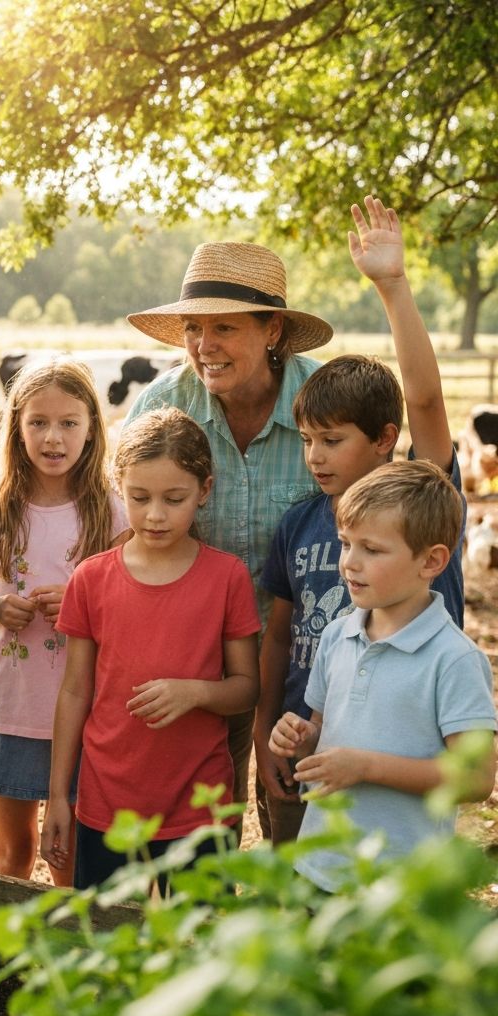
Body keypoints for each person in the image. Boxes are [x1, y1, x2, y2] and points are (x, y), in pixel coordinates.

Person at [255, 196, 465, 844]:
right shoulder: (299, 524)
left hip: (404, 758)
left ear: (384, 438)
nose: (315, 455)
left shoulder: (422, 499)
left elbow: (426, 396)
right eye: (306, 439)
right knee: (298, 903)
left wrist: (392, 285)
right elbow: (277, 638)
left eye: (333, 440)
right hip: (308, 747)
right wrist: (266, 736)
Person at [124, 238, 333, 811]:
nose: (203, 346)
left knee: (295, 819)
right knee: (195, 825)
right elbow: (129, 530)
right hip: (194, 663)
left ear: (272, 331)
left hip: (305, 663)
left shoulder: (324, 404)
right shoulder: (163, 406)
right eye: (194, 327)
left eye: (224, 328)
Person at [40, 409, 261, 889]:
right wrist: (59, 795)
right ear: (119, 487)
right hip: (107, 802)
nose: (155, 514)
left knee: (199, 946)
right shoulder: (91, 578)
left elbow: (247, 689)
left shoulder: (227, 578)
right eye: (139, 498)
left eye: (174, 498)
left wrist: (195, 693)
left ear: (204, 491)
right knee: (108, 943)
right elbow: (75, 692)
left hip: (199, 805)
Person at [269, 460, 496, 891]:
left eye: (371, 550)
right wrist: (302, 737)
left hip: (401, 887)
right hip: (321, 864)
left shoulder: (454, 659)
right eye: (345, 544)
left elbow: (476, 779)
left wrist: (367, 767)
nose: (349, 564)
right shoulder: (337, 635)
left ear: (431, 561)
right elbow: (324, 732)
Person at [0, 359, 131, 886]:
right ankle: (7, 961)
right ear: (16, 426)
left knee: (70, 853)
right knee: (14, 851)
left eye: (68, 423)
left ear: (92, 428)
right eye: (38, 422)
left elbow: (131, 613)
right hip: (11, 703)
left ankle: (71, 958)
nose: (52, 437)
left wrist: (86, 607)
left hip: (84, 707)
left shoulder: (111, 511)